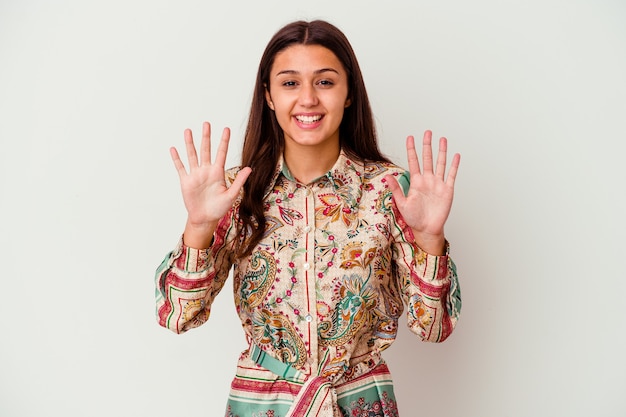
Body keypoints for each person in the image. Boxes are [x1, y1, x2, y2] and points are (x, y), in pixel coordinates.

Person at [155, 19, 461, 417]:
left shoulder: (392, 192)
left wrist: (430, 238)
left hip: (360, 403)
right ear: (268, 95)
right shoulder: (235, 193)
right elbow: (177, 315)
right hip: (264, 403)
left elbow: (434, 328)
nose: (308, 99)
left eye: (325, 82)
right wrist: (199, 226)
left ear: (349, 93)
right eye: (289, 83)